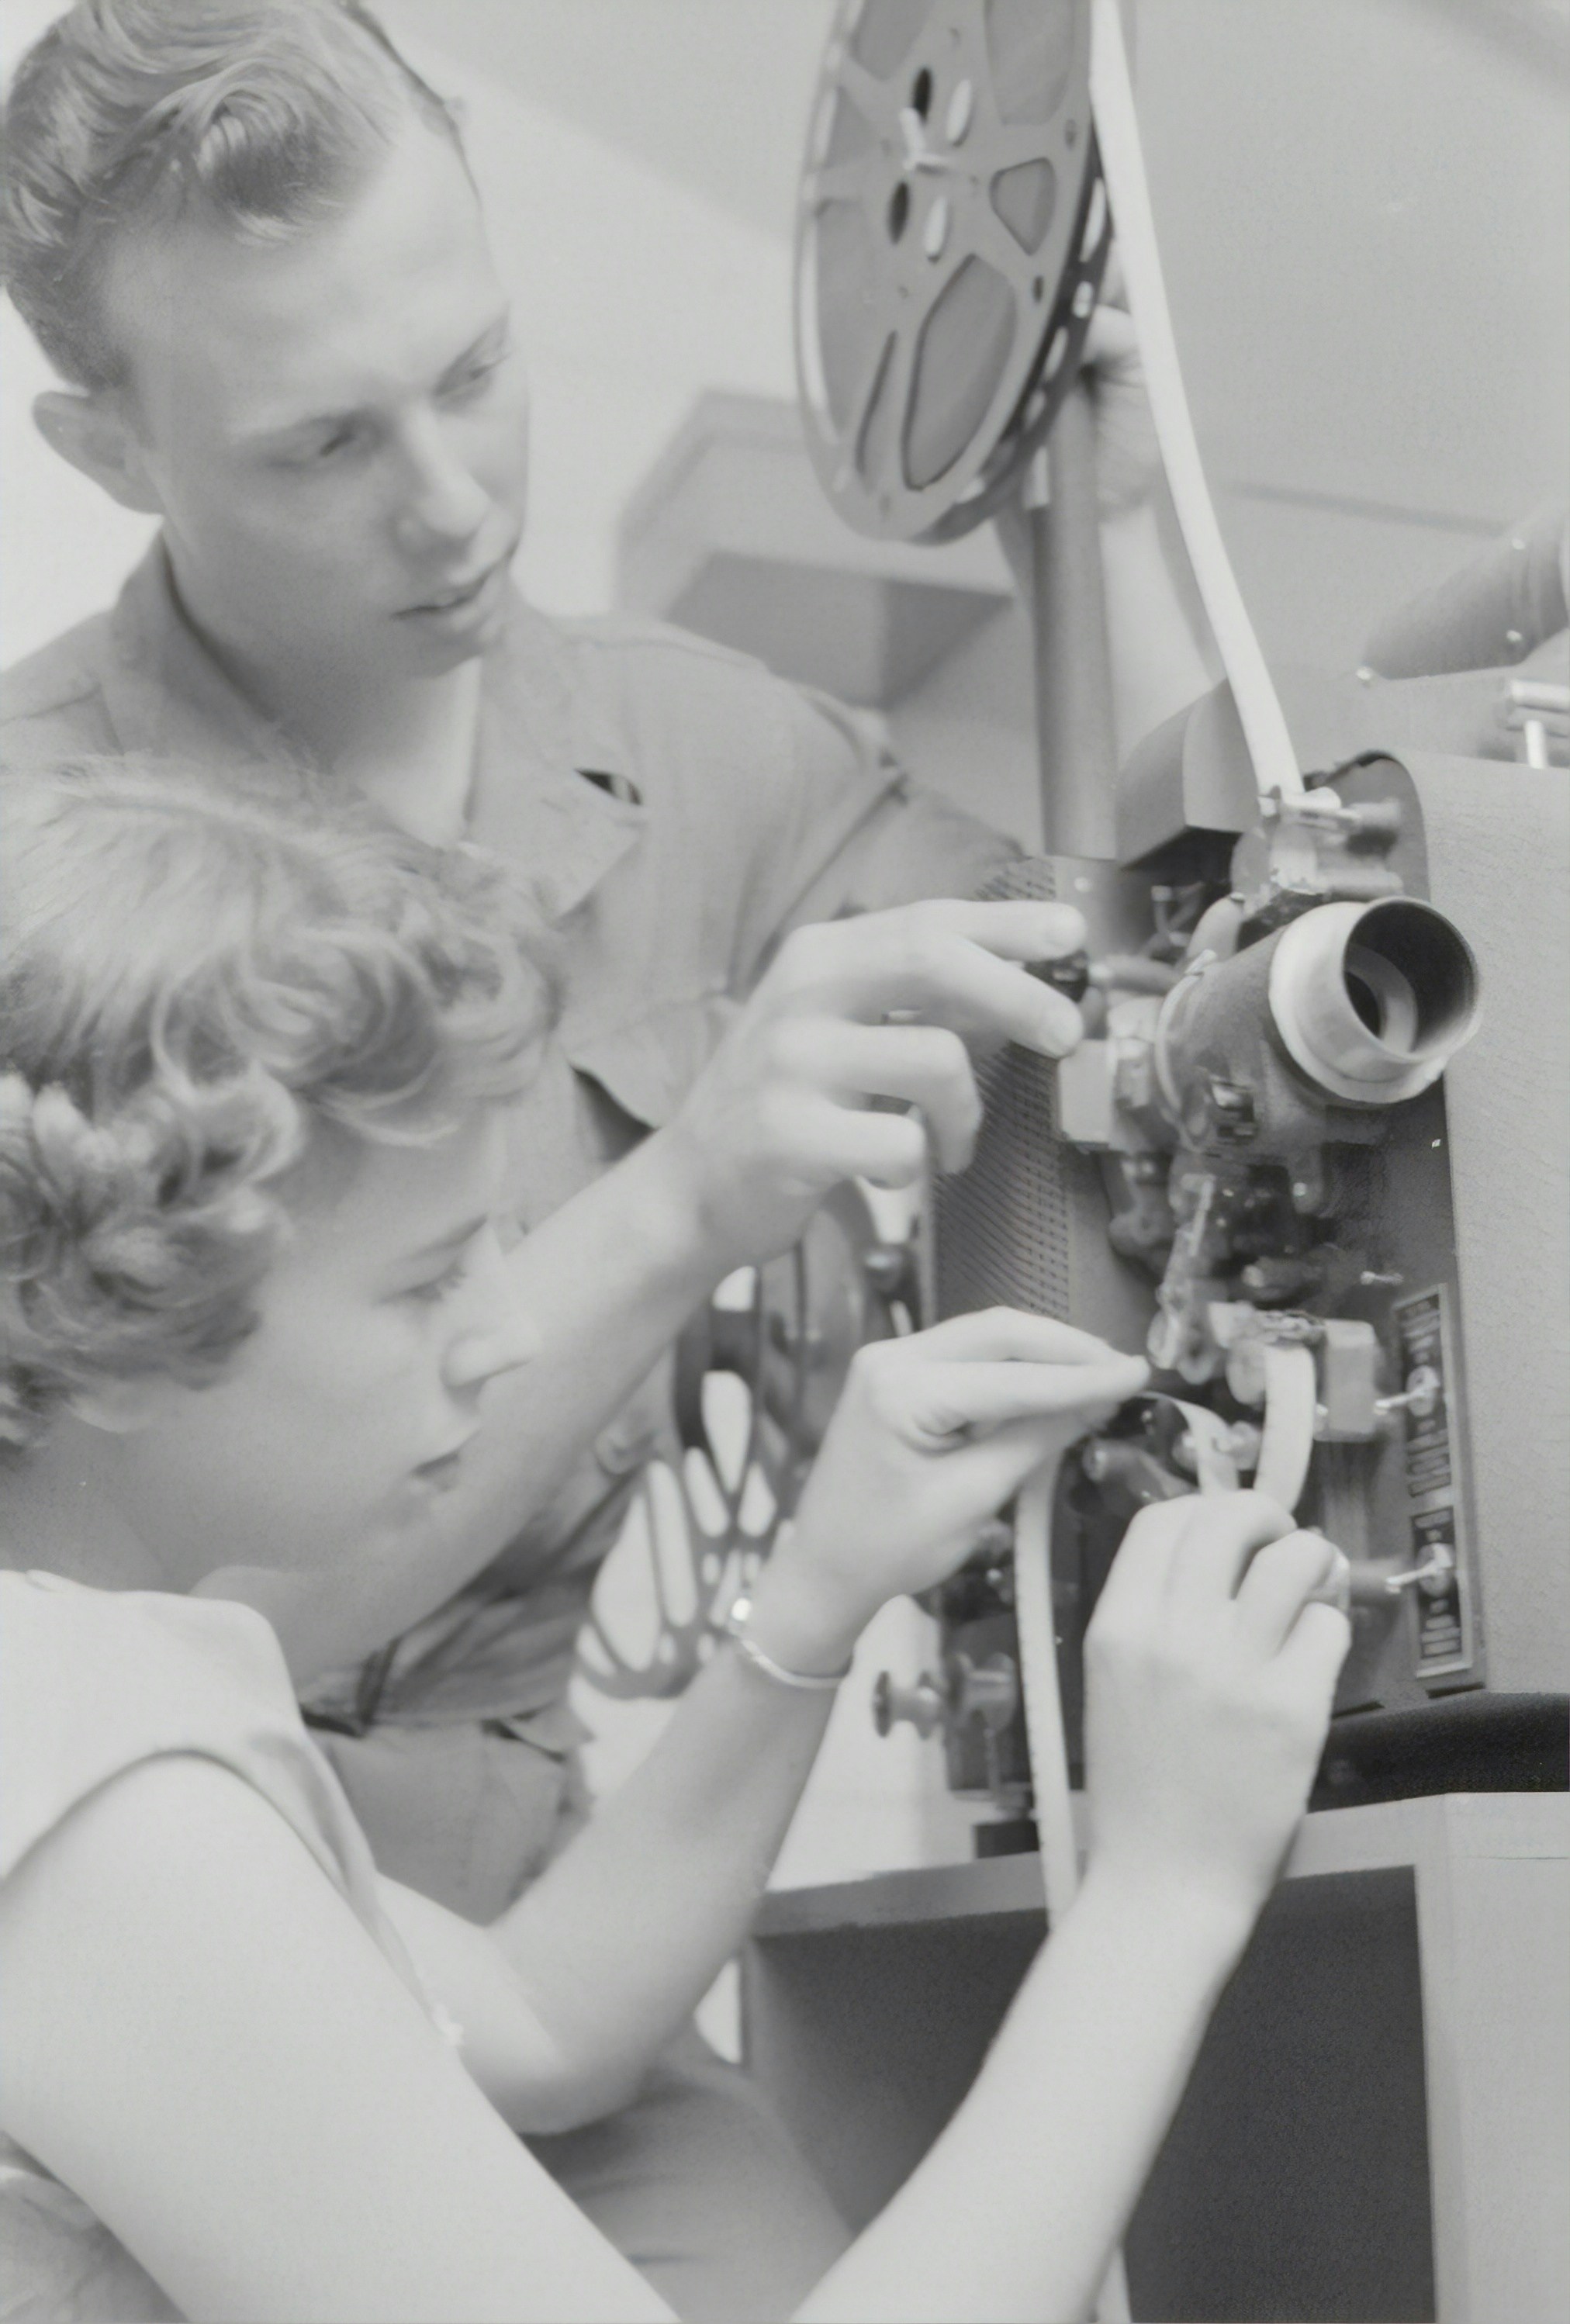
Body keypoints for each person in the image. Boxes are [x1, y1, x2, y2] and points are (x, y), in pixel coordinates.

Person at [0, 5, 1213, 2304]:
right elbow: (140, 1602)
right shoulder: (46, 882)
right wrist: (676, 1206)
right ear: (112, 442)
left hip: (540, 1925)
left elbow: (1149, 953)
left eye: (473, 371)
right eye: (326, 440)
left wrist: (1122, 505)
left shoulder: (700, 749)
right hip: (229, 1903)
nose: (451, 500)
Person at [0, 756, 1350, 2324]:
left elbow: (543, 2019)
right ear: (111, 1318)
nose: (508, 1334)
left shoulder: (74, 1709)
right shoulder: (104, 1813)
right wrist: (1160, 1896)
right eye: (425, 1280)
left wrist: (820, 1584)